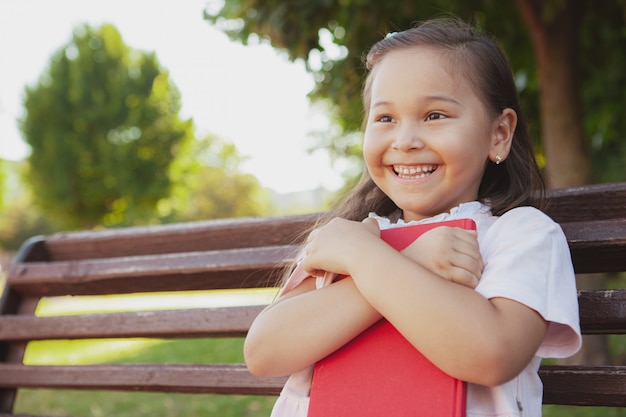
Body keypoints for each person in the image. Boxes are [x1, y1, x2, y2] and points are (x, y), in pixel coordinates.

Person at [244, 18, 581, 417]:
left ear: (499, 134)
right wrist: (405, 259)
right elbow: (264, 352)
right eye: (385, 119)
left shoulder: (521, 234)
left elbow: (491, 354)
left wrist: (369, 262)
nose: (405, 141)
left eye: (435, 115)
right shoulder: (353, 239)